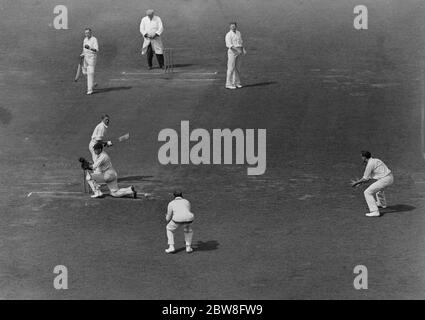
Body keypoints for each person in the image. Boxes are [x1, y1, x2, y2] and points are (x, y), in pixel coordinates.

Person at [351, 151, 394, 217]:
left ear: (364, 157)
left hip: (384, 180)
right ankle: (382, 204)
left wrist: (356, 183)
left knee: (367, 192)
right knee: (379, 189)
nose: (361, 158)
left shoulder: (370, 165)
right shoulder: (376, 160)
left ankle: (374, 211)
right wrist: (360, 183)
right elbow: (368, 178)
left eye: (362, 157)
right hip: (390, 178)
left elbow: (365, 178)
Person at [225, 22, 246, 89]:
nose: (233, 27)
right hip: (232, 52)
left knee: (237, 68)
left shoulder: (238, 33)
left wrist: (243, 49)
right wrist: (237, 50)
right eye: (231, 26)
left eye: (234, 26)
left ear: (236, 26)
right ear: (230, 27)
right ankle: (228, 84)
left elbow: (240, 42)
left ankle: (236, 82)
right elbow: (229, 45)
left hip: (239, 51)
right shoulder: (228, 35)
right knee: (231, 68)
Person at [80, 28, 99, 95]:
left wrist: (90, 48)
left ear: (91, 33)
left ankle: (90, 90)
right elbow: (84, 49)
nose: (87, 34)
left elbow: (96, 50)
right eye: (86, 33)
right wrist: (82, 54)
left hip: (92, 58)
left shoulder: (94, 39)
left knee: (90, 73)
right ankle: (92, 83)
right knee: (84, 72)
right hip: (85, 57)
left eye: (88, 33)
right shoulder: (85, 39)